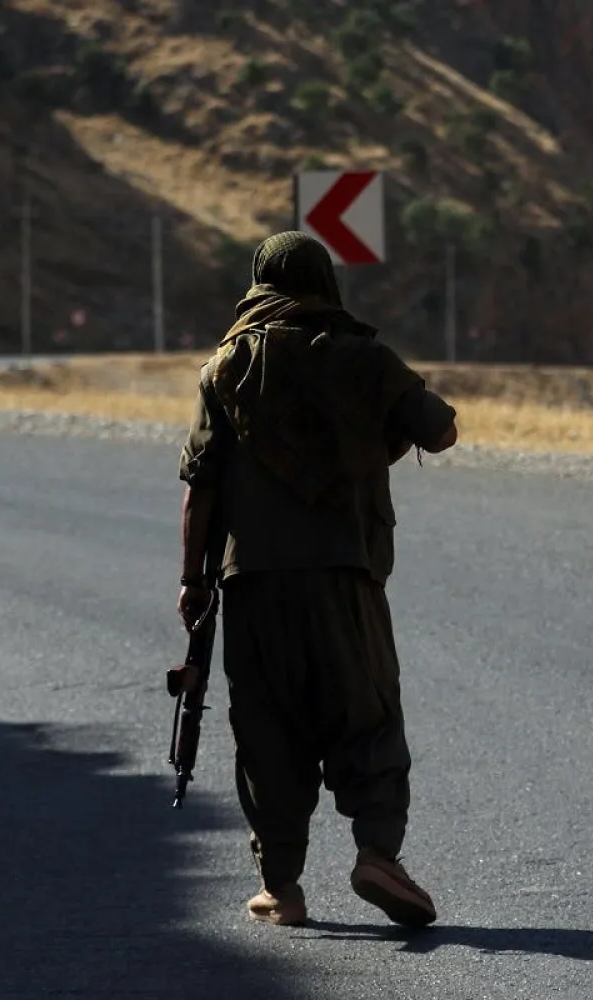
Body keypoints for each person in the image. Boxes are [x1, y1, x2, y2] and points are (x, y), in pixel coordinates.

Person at [176, 231, 458, 927]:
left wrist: (192, 581)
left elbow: (200, 487)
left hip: (253, 587)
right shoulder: (363, 358)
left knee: (267, 732)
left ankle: (283, 887)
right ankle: (376, 855)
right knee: (367, 717)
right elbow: (440, 430)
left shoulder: (225, 368)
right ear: (324, 282)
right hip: (345, 579)